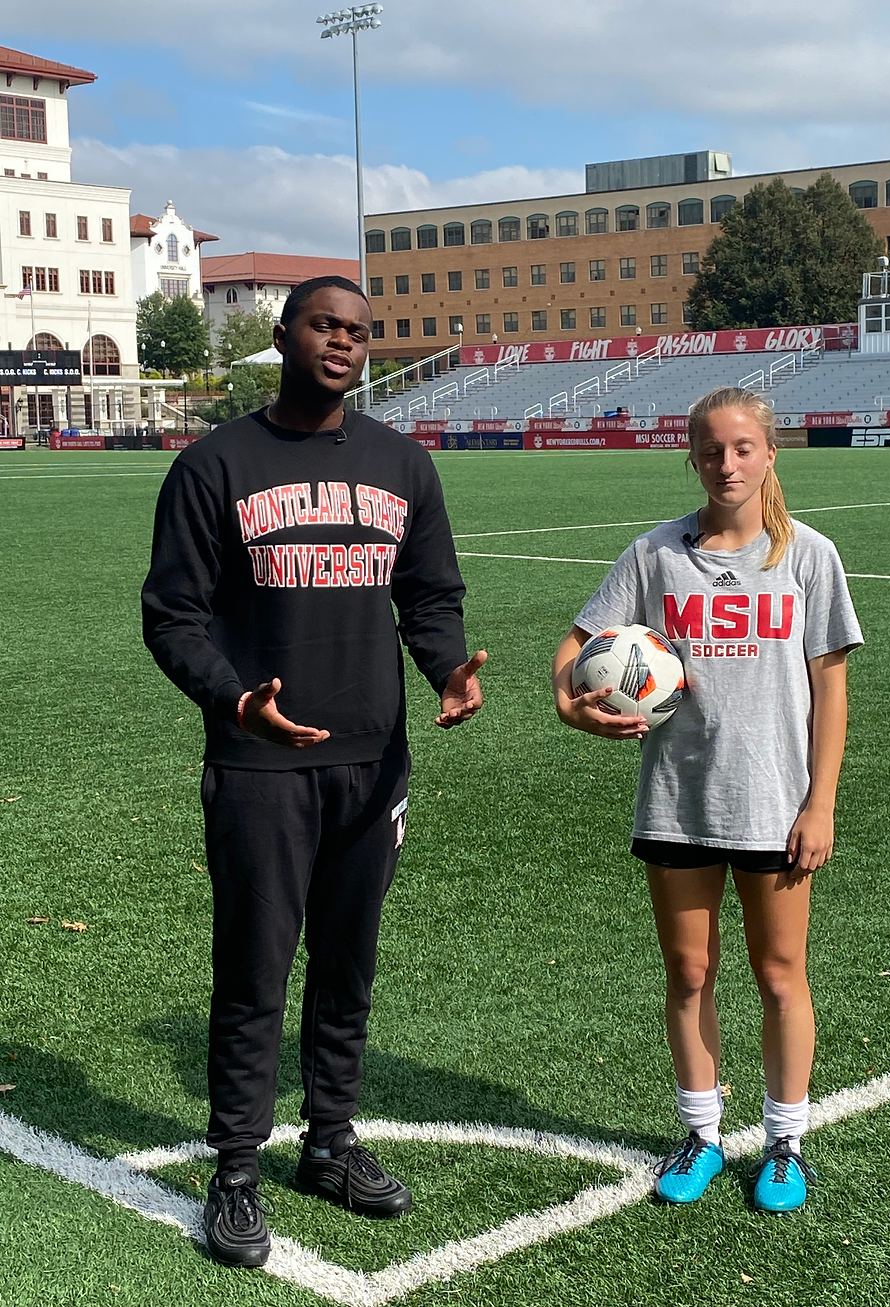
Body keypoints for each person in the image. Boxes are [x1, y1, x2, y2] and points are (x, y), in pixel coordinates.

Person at [142, 275, 486, 1268]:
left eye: (358, 332)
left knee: (347, 967)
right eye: (325, 325)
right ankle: (235, 1171)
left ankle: (329, 1142)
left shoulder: (402, 463)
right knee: (254, 971)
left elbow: (429, 594)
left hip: (372, 761)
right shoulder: (214, 465)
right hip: (259, 763)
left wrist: (446, 668)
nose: (343, 342)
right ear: (285, 333)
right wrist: (232, 698)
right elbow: (172, 615)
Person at [552, 386, 861, 1213]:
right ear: (691, 457)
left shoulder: (808, 556)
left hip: (775, 802)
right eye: (712, 449)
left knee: (780, 973)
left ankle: (785, 1145)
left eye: (742, 447)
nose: (727, 463)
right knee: (689, 970)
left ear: (769, 453)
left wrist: (821, 803)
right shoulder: (656, 554)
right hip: (677, 799)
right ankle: (701, 1133)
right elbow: (575, 648)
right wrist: (570, 705)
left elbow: (830, 691)